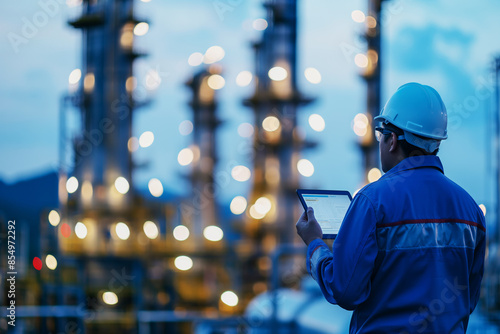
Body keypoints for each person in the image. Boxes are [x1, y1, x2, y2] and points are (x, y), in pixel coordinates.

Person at [296, 83, 486, 333]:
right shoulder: (470, 210)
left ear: (392, 140)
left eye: (379, 134)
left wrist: (314, 244)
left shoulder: (372, 201)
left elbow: (344, 290)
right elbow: (469, 299)